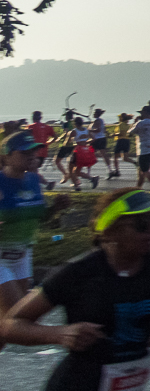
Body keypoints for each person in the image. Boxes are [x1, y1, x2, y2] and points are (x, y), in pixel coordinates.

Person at [1, 188, 150, 391]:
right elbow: (10, 325)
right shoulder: (79, 272)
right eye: (141, 225)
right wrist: (60, 334)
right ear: (110, 231)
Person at [0, 131, 70, 355]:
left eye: (34, 151)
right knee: (17, 315)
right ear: (7, 156)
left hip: (22, 256)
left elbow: (40, 218)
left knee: (7, 326)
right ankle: (65, 336)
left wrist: (55, 209)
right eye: (25, 152)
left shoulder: (33, 180)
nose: (33, 156)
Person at [26, 111, 57, 190]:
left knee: (30, 170)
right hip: (43, 152)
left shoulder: (30, 127)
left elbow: (26, 139)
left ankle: (45, 184)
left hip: (33, 152)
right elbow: (55, 137)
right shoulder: (47, 127)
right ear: (40, 118)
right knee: (32, 170)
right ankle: (44, 184)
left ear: (33, 118)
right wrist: (48, 143)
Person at [88, 110, 112, 179]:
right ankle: (109, 170)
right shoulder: (100, 120)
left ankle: (88, 173)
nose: (93, 114)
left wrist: (89, 131)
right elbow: (103, 130)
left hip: (97, 139)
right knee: (103, 154)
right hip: (101, 138)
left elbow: (98, 130)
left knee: (91, 155)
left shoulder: (97, 121)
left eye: (94, 113)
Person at [111, 114, 134, 179]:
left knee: (115, 156)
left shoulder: (120, 125)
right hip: (127, 141)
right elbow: (131, 134)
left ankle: (117, 170)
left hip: (120, 141)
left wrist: (113, 135)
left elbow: (120, 133)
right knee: (125, 157)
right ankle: (136, 163)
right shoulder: (128, 126)